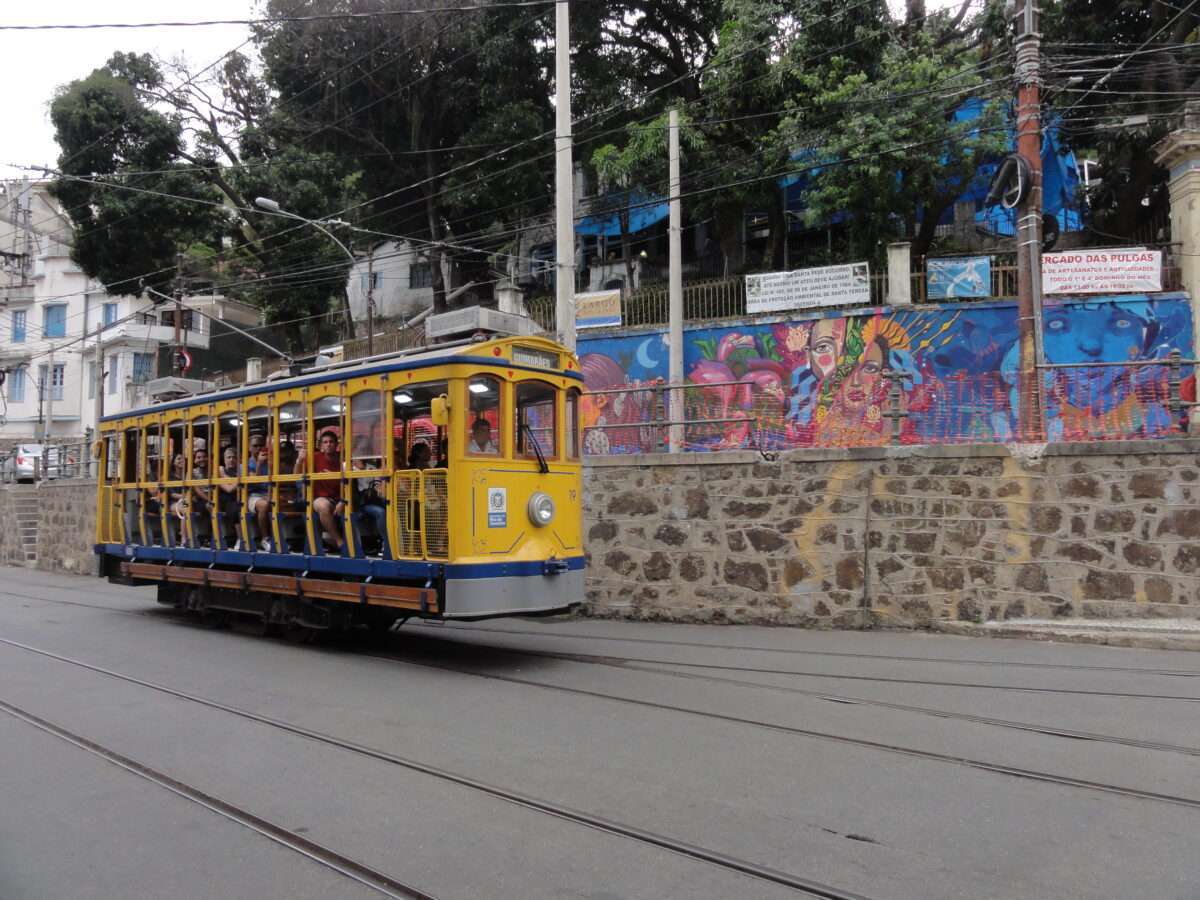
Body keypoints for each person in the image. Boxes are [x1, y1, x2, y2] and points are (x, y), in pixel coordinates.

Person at [296, 429, 345, 553]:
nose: (328, 444)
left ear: (336, 444)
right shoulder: (314, 458)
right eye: (325, 442)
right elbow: (296, 475)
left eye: (331, 442)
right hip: (319, 498)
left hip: (340, 498)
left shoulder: (342, 460)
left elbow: (349, 484)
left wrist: (343, 501)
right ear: (321, 445)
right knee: (323, 506)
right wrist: (299, 460)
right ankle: (339, 542)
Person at [246, 435, 272, 550]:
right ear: (249, 448)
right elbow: (253, 483)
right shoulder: (246, 464)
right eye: (255, 446)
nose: (258, 448)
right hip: (253, 496)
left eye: (261, 445)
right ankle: (265, 538)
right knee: (264, 505)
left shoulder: (270, 461)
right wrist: (259, 464)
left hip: (269, 494)